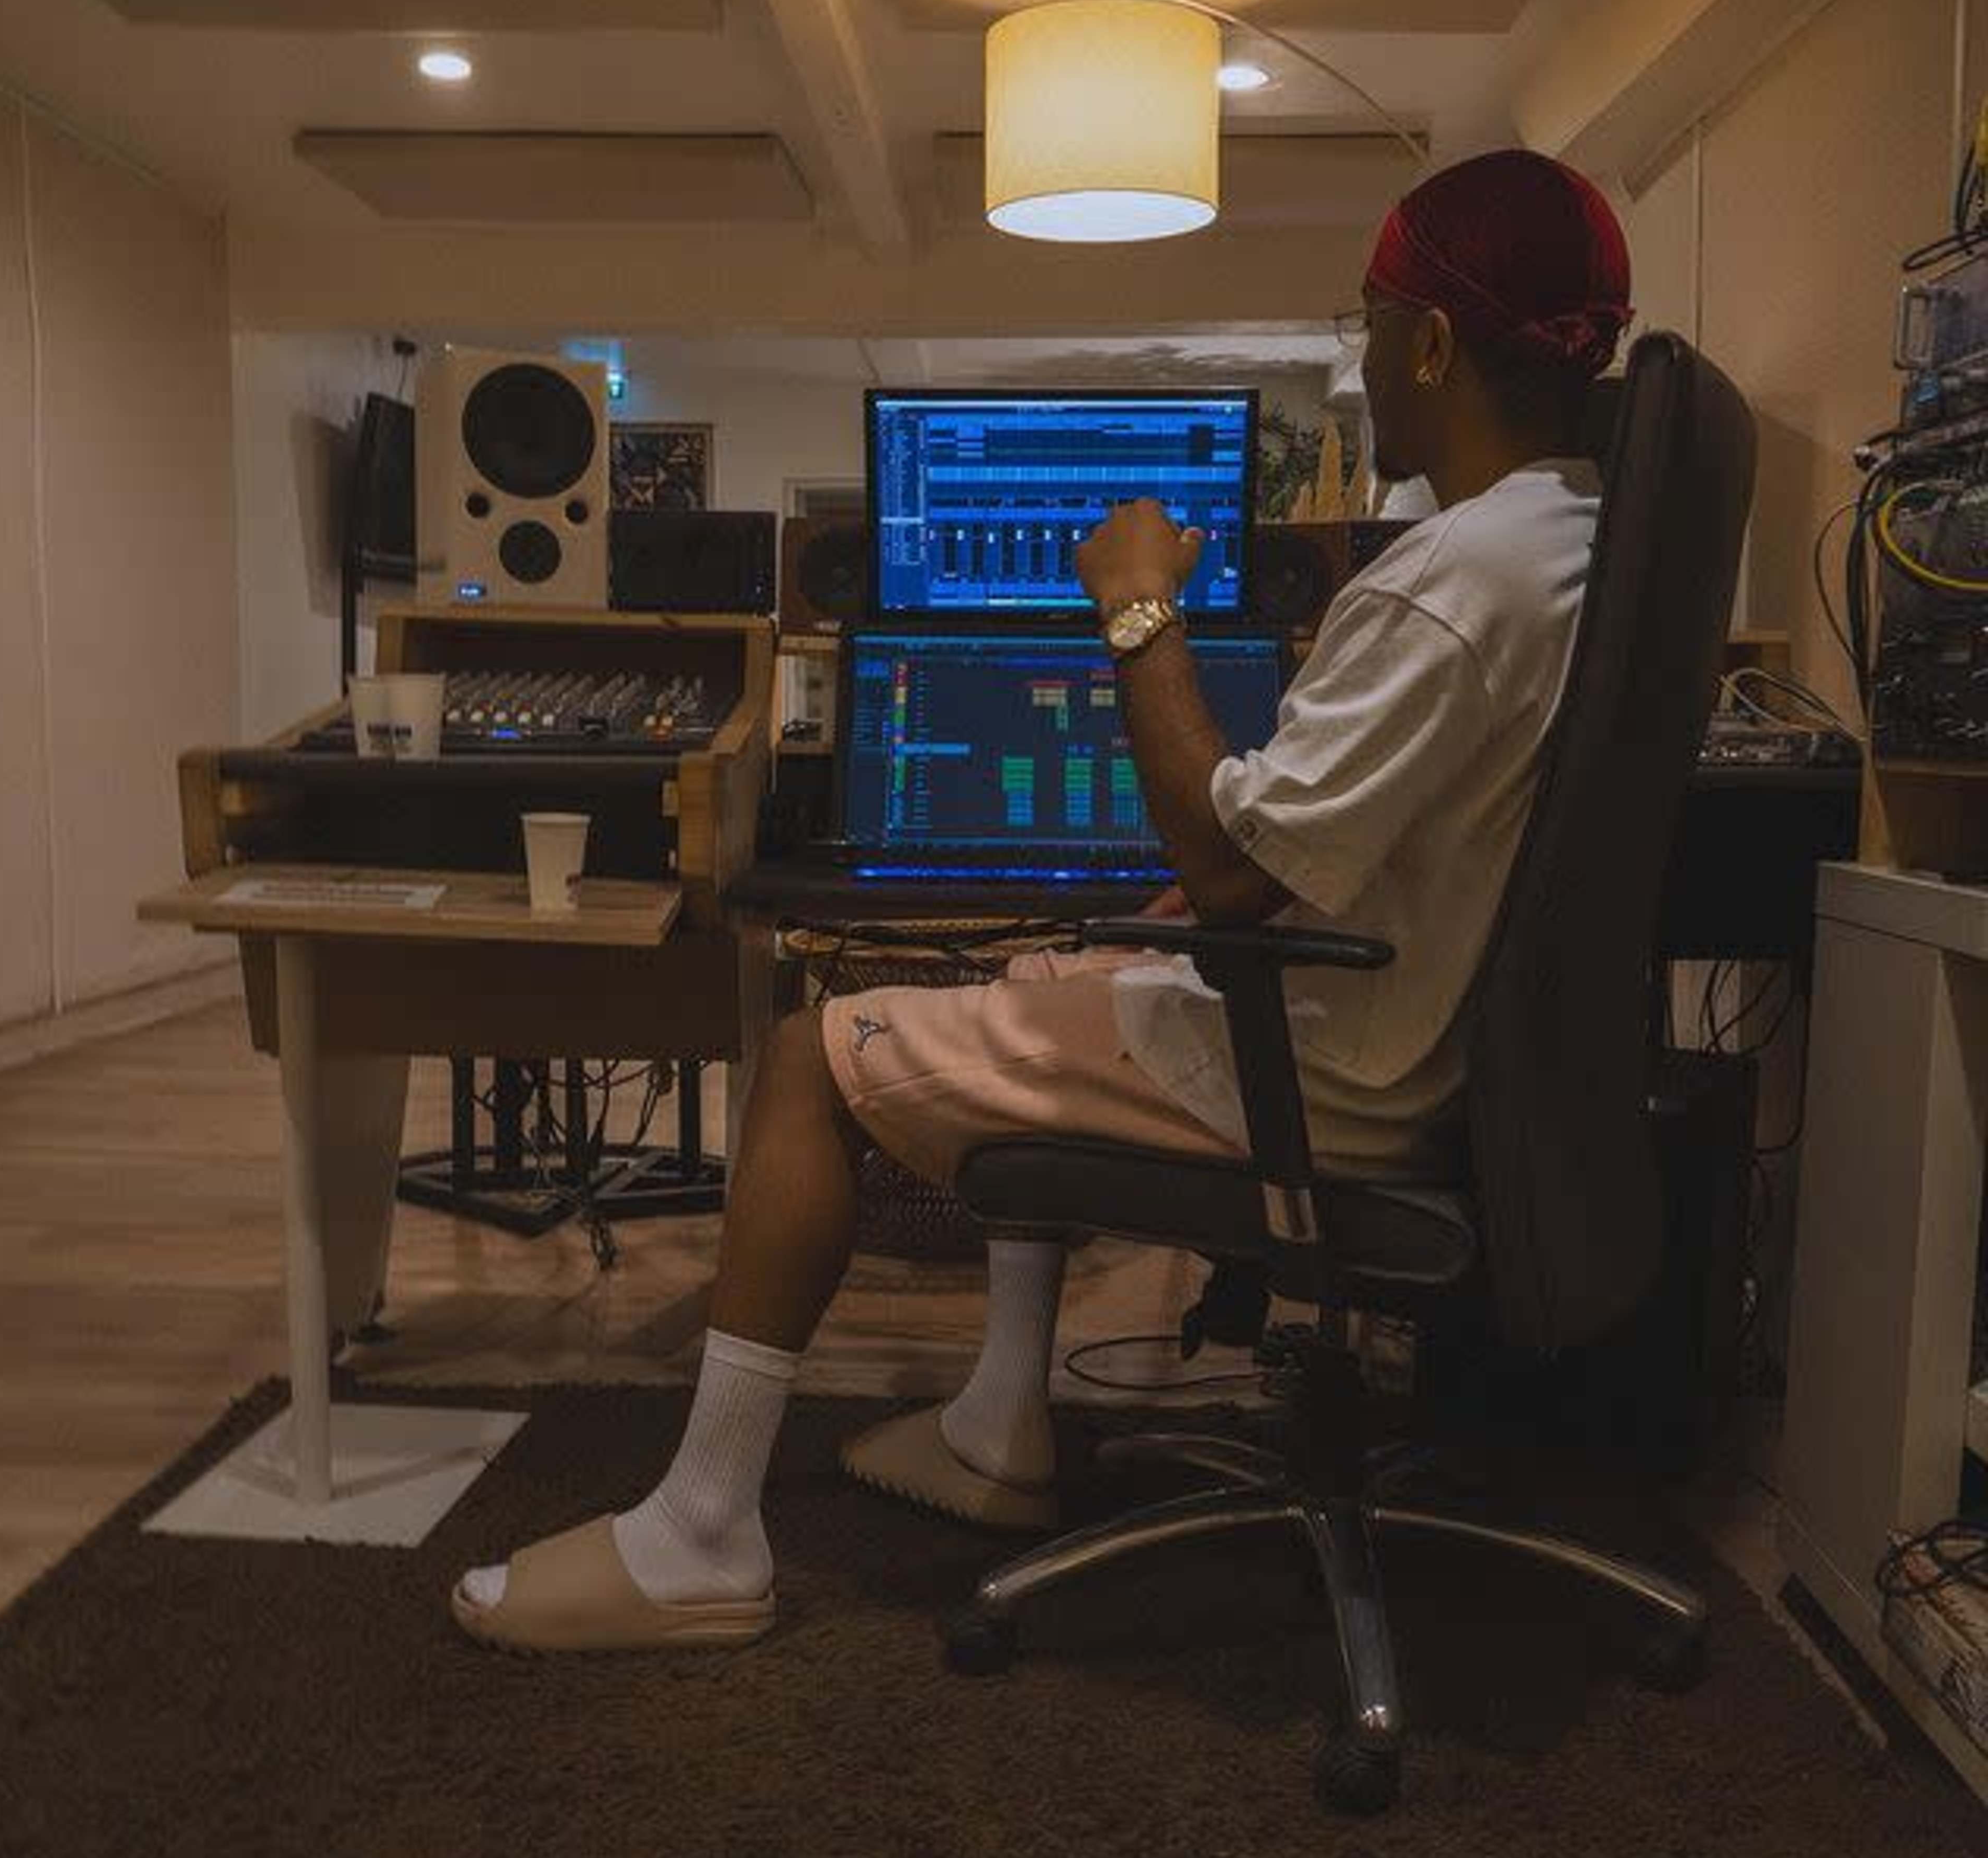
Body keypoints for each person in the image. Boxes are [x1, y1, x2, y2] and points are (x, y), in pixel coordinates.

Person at [451, 145, 1634, 1652]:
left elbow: (1224, 865)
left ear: (1434, 343)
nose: (1364, 351)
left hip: (1327, 1093)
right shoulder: (1577, 545)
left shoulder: (1448, 581)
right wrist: (1226, 897)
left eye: (1370, 319)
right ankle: (997, 1424)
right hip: (1428, 1061)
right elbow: (1382, 845)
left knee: (808, 1056)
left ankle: (700, 1534)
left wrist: (1137, 606)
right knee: (1046, 970)